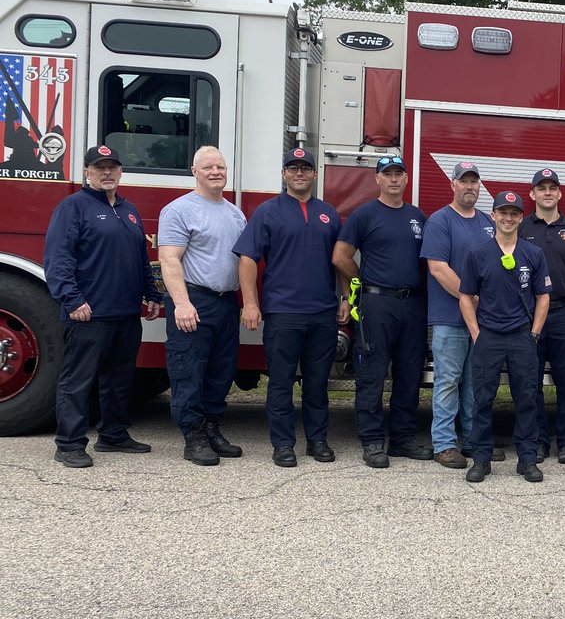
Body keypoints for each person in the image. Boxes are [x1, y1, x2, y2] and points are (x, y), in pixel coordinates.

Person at [43, 144, 162, 468]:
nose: (107, 172)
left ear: (121, 171)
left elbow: (140, 258)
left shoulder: (129, 210)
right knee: (78, 380)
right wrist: (73, 300)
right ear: (87, 172)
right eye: (99, 167)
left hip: (125, 314)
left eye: (112, 167)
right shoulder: (73, 207)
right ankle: (69, 443)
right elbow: (58, 259)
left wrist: (152, 294)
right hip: (88, 314)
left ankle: (113, 434)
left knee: (119, 378)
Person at [234, 147, 349, 467]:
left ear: (314, 174)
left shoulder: (328, 213)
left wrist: (344, 297)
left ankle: (318, 441)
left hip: (323, 313)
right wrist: (250, 304)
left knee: (317, 383)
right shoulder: (267, 211)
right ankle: (283, 444)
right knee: (281, 383)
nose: (299, 173)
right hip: (283, 313)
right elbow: (247, 259)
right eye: (293, 168)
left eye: (305, 168)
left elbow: (340, 260)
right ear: (284, 174)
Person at [332, 155, 433, 469]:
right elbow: (340, 256)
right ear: (377, 179)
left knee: (409, 374)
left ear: (405, 179)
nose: (393, 179)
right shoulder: (364, 214)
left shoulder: (417, 217)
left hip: (414, 304)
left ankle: (402, 439)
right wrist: (360, 281)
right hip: (377, 304)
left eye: (398, 174)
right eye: (387, 174)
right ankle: (373, 441)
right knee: (372, 374)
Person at [157, 146, 246, 466]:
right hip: (194, 301)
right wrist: (181, 304)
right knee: (188, 371)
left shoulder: (235, 213)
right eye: (208, 167)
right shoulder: (179, 210)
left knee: (220, 373)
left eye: (220, 166)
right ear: (194, 171)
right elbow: (168, 259)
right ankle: (193, 437)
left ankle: (211, 429)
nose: (215, 172)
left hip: (225, 303)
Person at [459, 191, 551, 483]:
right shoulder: (479, 254)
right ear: (494, 216)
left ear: (521, 218)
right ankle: (481, 459)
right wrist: (476, 332)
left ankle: (527, 459)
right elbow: (465, 296)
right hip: (489, 337)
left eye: (514, 213)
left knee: (526, 399)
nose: (508, 218)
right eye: (503, 212)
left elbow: (543, 296)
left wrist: (534, 331)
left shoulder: (533, 254)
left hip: (522, 337)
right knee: (482, 399)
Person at [420, 161, 505, 468]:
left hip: (482, 320)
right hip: (449, 319)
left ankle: (472, 439)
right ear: (452, 184)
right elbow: (438, 269)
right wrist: (471, 297)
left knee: (474, 382)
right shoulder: (440, 221)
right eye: (464, 181)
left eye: (474, 181)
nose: (470, 186)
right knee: (447, 381)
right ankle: (443, 444)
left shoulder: (487, 222)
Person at [520, 167, 565, 465]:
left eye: (552, 187)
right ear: (532, 194)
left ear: (559, 193)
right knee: (530, 381)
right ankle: (537, 442)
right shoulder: (521, 227)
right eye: (542, 187)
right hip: (529, 316)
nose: (547, 192)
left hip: (564, 314)